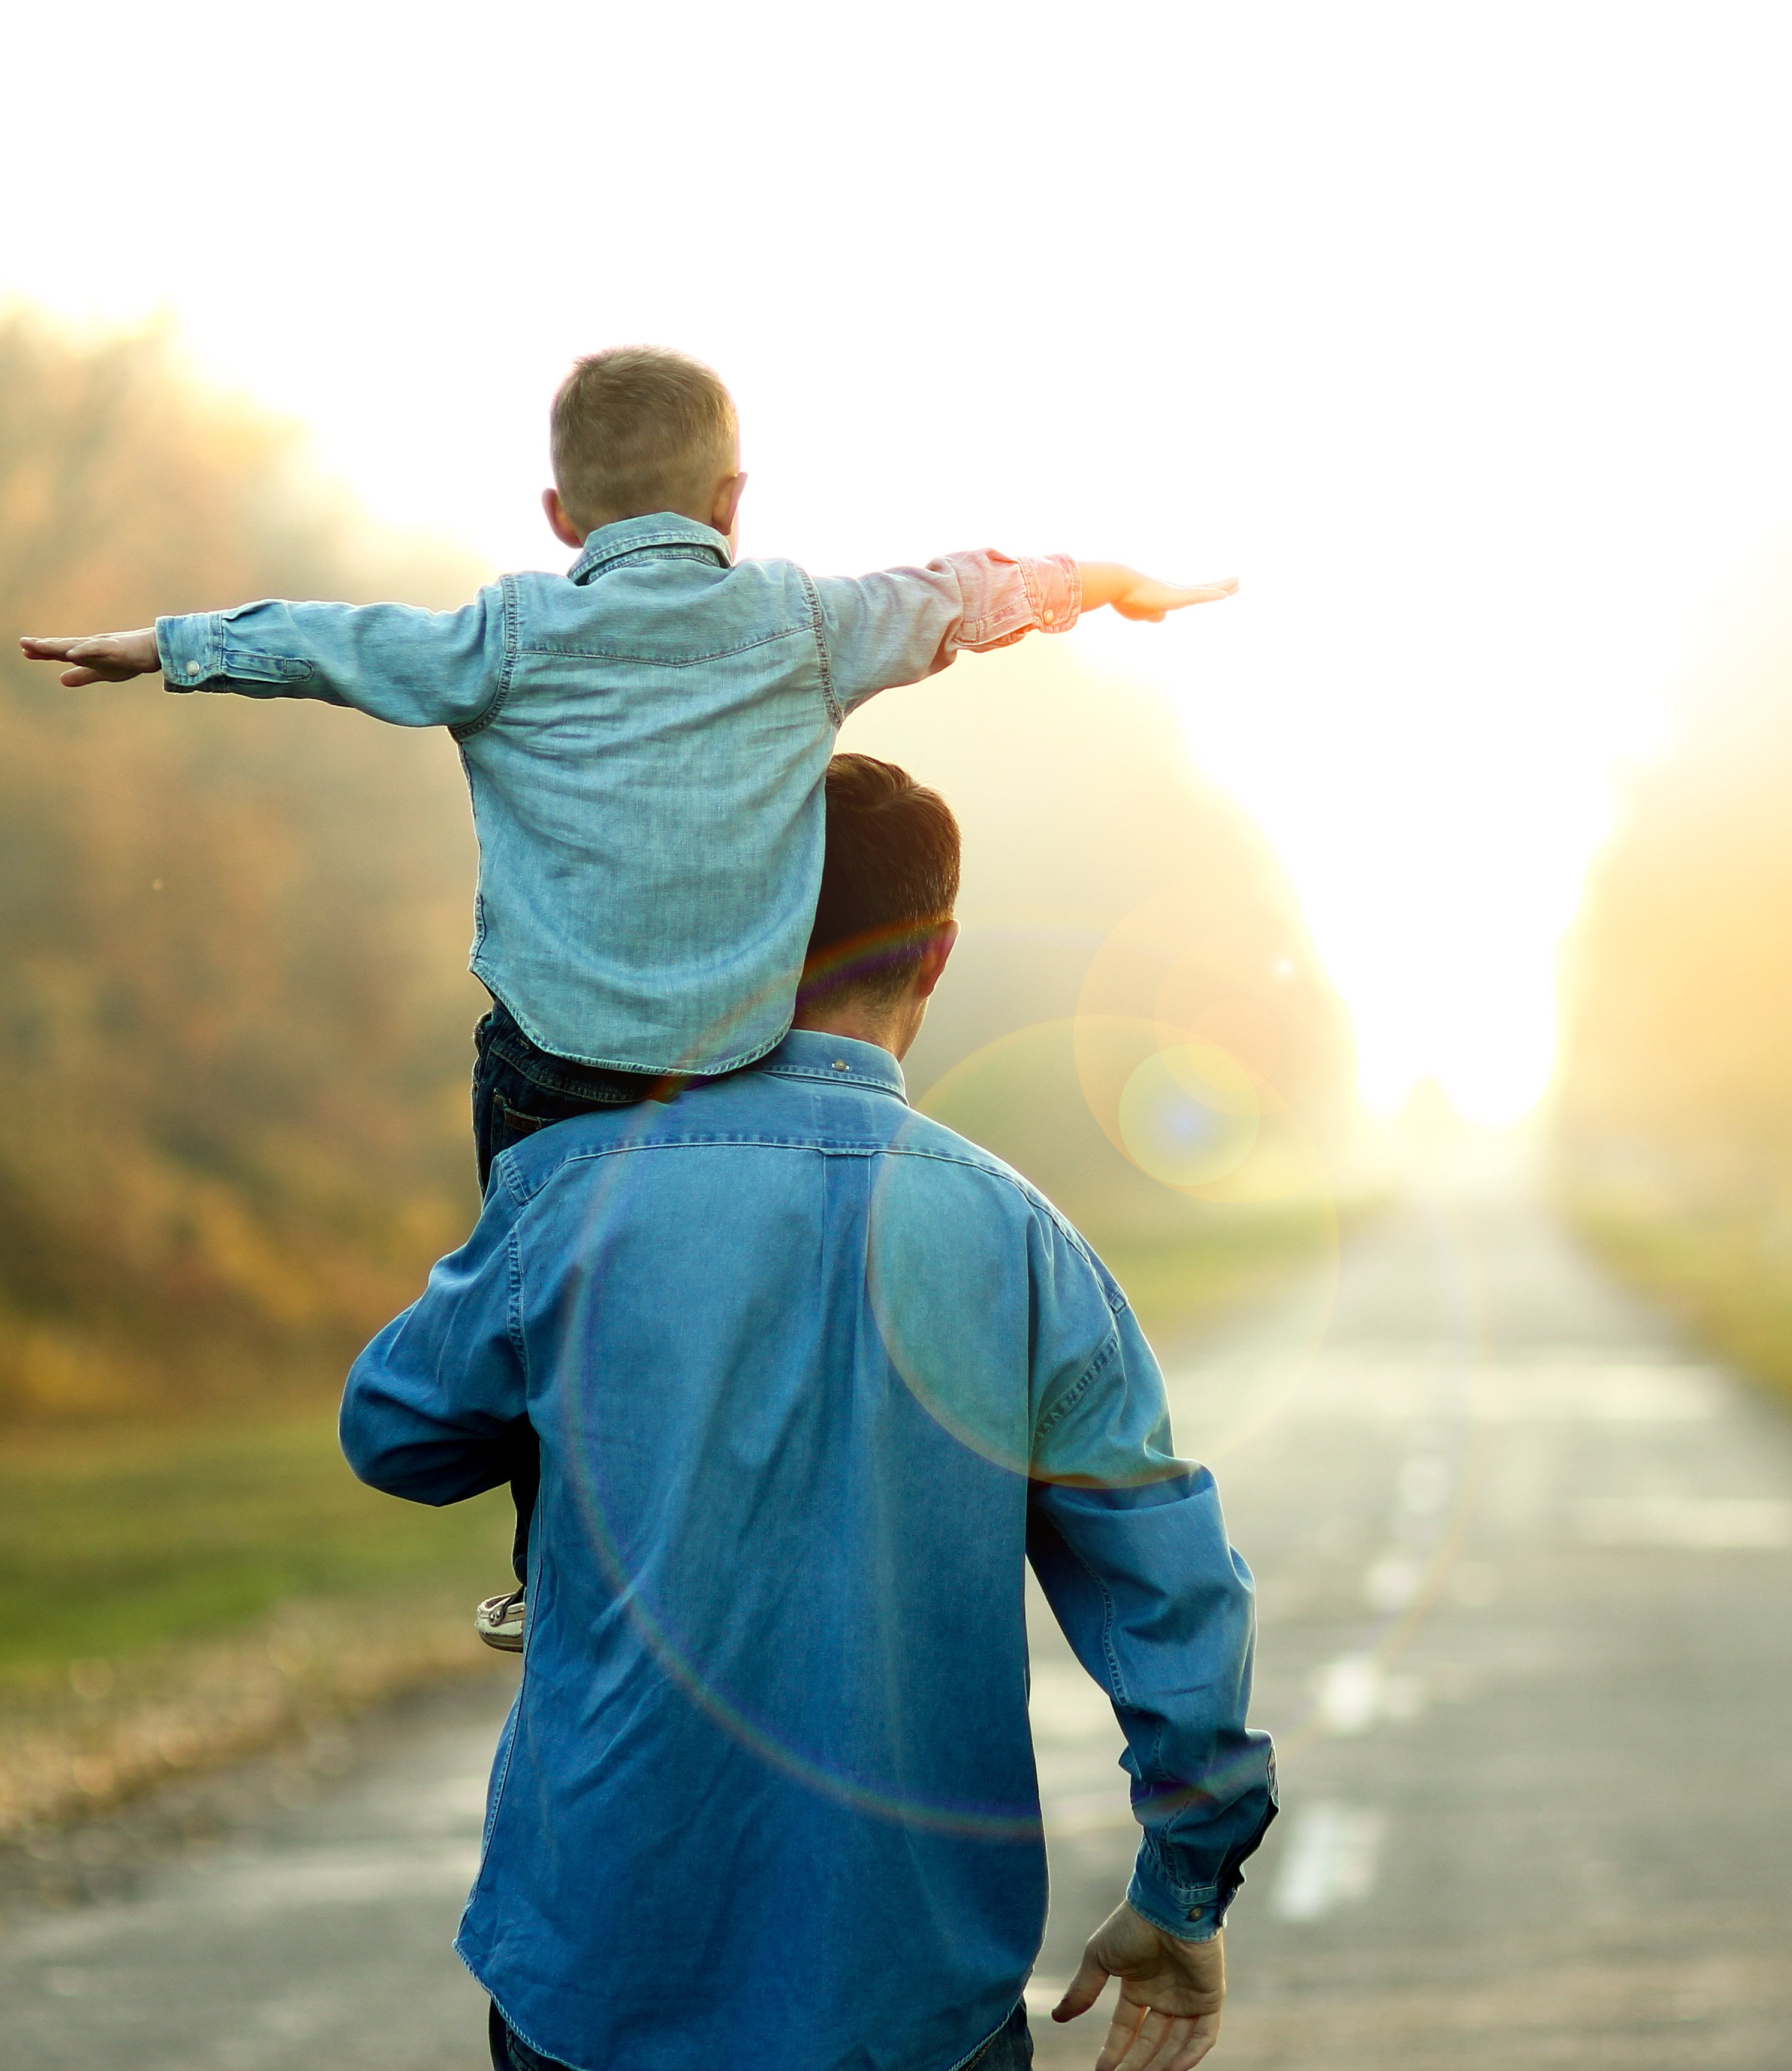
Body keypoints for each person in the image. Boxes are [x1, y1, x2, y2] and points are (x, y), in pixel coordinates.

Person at [20, 348, 1235, 1640]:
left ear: (560, 517)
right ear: (731, 500)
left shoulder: (506, 637)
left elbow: (337, 645)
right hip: (740, 1061)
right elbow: (954, 595)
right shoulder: (804, 626)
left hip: (553, 1078)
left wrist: (168, 646)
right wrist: (1098, 587)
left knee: (546, 1315)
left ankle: (555, 1574)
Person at [342, 754, 1275, 2071]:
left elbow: (393, 1435)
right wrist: (1186, 1887)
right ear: (937, 958)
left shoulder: (569, 1195)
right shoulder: (1024, 1245)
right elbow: (1174, 1602)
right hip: (913, 2008)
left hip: (596, 1985)